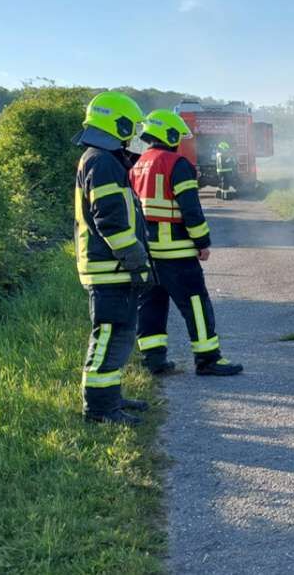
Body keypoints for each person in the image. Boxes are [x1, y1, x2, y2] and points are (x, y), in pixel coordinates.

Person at [130, 110, 244, 377]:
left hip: (147, 254)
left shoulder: (136, 165)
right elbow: (191, 210)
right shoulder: (177, 164)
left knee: (151, 306)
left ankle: (153, 360)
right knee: (196, 305)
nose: (179, 141)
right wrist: (202, 241)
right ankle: (207, 360)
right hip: (177, 253)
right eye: (177, 136)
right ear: (169, 135)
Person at [73, 91, 152, 424]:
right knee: (108, 336)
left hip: (113, 268)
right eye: (130, 128)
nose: (134, 136)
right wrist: (136, 259)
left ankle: (111, 398)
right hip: (110, 269)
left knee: (119, 336)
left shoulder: (105, 159)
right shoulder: (102, 161)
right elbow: (111, 220)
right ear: (116, 124)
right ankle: (100, 410)